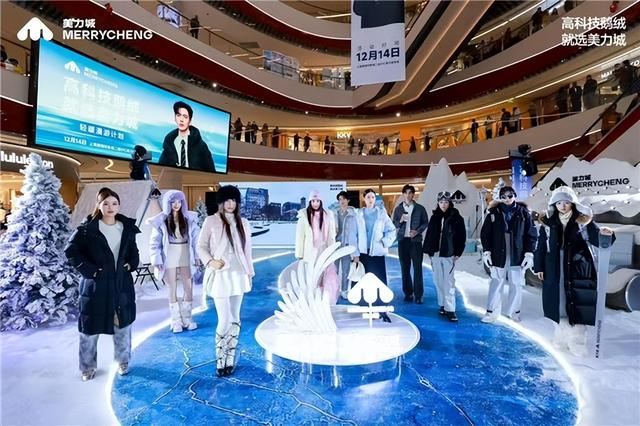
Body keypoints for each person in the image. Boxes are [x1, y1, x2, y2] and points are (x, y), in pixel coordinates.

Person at [65, 188, 140, 381]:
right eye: (105, 203)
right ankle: (87, 367)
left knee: (123, 326)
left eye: (114, 203)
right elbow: (71, 251)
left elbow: (134, 252)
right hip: (95, 287)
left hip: (121, 285)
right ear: (98, 205)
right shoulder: (87, 229)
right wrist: (91, 271)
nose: (110, 207)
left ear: (119, 206)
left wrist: (130, 265)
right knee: (89, 329)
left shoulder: (126, 228)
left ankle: (123, 361)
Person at [534, 186, 615, 356]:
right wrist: (539, 266)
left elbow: (597, 239)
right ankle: (561, 338)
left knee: (577, 304)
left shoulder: (583, 221)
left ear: (572, 203)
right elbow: (541, 246)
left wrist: (606, 234)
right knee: (558, 304)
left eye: (566, 202)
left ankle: (577, 342)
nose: (563, 206)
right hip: (554, 268)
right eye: (559, 203)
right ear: (554, 204)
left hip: (577, 268)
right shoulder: (547, 223)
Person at [197, 186, 254, 377]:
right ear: (221, 202)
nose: (230, 204)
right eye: (227, 200)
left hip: (238, 274)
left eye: (234, 200)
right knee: (224, 319)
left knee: (235, 317)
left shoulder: (243, 222)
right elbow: (201, 246)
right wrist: (210, 262)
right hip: (220, 275)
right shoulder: (211, 221)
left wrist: (249, 273)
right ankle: (220, 359)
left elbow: (247, 251)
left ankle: (230, 357)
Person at [480, 186, 537, 323]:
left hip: (517, 253)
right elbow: (485, 233)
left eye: (510, 196)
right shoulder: (493, 213)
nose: (507, 199)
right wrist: (487, 251)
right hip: (498, 253)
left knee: (516, 284)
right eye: (503, 196)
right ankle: (492, 312)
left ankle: (514, 312)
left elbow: (531, 234)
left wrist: (529, 252)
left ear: (515, 195)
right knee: (496, 282)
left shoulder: (524, 213)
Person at [148, 190, 200, 333]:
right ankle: (176, 320)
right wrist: (157, 259)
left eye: (179, 201)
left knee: (188, 286)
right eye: (173, 202)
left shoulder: (189, 219)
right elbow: (154, 242)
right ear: (167, 203)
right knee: (172, 287)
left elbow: (196, 240)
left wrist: (197, 256)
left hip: (185, 254)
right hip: (169, 254)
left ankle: (187, 318)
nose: (176, 204)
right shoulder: (161, 221)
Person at [423, 191, 466, 321]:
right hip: (435, 254)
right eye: (441, 202)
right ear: (438, 203)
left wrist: (458, 252)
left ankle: (450, 309)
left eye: (446, 202)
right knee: (438, 280)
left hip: (448, 254)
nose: (443, 204)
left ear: (450, 203)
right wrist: (429, 251)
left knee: (449, 281)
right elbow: (429, 234)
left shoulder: (456, 218)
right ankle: (442, 304)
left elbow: (461, 236)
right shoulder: (434, 217)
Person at [356, 189, 396, 322]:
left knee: (380, 280)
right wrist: (355, 253)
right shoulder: (358, 214)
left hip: (377, 253)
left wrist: (385, 242)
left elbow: (391, 230)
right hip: (363, 253)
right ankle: (367, 308)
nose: (370, 199)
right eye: (368, 197)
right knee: (364, 281)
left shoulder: (381, 214)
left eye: (373, 197)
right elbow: (354, 234)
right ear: (364, 198)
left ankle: (382, 309)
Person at [295, 190, 339, 304]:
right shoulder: (304, 216)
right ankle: (312, 301)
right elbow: (300, 237)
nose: (315, 203)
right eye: (313, 201)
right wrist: (300, 254)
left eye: (317, 201)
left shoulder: (328, 215)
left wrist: (332, 251)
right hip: (310, 252)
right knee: (311, 278)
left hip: (324, 251)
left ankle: (323, 301)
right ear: (310, 202)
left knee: (325, 277)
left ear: (321, 201)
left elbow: (331, 235)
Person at [392, 185, 428, 304]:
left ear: (413, 194)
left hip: (416, 242)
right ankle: (408, 293)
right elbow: (394, 224)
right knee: (405, 268)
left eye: (410, 193)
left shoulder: (420, 208)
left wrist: (417, 231)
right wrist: (400, 220)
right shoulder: (398, 209)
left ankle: (418, 295)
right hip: (403, 241)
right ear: (403, 194)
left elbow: (425, 222)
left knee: (417, 269)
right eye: (405, 193)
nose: (407, 195)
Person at [159, 101, 216, 172]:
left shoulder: (201, 145)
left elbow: (212, 171)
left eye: (185, 117)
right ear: (175, 118)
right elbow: (160, 168)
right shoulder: (169, 143)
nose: (181, 120)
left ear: (190, 121)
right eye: (178, 115)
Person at [335, 191, 363, 299]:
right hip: (336, 246)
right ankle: (334, 290)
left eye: (343, 199)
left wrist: (356, 253)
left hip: (347, 246)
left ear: (348, 200)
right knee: (334, 270)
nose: (341, 201)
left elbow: (356, 234)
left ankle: (344, 290)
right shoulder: (334, 214)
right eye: (340, 199)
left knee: (346, 270)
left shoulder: (354, 215)